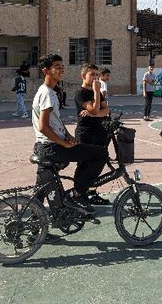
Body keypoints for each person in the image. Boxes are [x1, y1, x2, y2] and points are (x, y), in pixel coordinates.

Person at [32, 55, 107, 215]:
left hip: (45, 146)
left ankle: (34, 229)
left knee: (41, 188)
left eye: (62, 66)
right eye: (57, 66)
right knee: (100, 154)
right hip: (51, 147)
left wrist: (67, 135)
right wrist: (64, 143)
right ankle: (77, 194)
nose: (61, 69)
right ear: (45, 71)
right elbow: (43, 127)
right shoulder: (47, 94)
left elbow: (56, 122)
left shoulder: (48, 91)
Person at [75, 63, 112, 206]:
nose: (95, 78)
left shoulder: (95, 92)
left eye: (97, 75)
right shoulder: (81, 93)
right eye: (92, 75)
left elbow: (105, 110)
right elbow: (96, 110)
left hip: (99, 132)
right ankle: (79, 195)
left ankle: (92, 193)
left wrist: (92, 114)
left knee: (96, 165)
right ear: (83, 76)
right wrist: (97, 92)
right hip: (85, 133)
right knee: (84, 165)